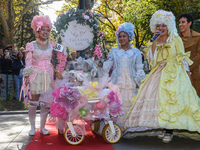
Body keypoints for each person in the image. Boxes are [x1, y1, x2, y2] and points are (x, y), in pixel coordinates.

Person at [124, 10, 200, 143]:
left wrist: (187, 76)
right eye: (158, 26)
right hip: (158, 73)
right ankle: (163, 128)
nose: (161, 28)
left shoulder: (176, 39)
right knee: (160, 102)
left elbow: (182, 59)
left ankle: (169, 131)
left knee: (172, 102)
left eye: (164, 25)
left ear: (169, 26)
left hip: (175, 74)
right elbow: (152, 62)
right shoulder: (153, 41)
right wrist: (154, 42)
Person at [103, 22, 145, 127]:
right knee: (116, 104)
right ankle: (115, 128)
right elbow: (108, 64)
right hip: (116, 82)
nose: (122, 39)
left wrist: (139, 82)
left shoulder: (136, 52)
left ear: (129, 36)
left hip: (131, 83)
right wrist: (100, 65)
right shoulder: (113, 51)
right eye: (120, 36)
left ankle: (128, 127)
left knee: (129, 104)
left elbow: (139, 69)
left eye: (124, 36)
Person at [22, 15, 54, 136]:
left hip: (47, 77)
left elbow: (57, 60)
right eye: (44, 29)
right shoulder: (31, 45)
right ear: (38, 30)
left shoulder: (52, 45)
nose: (46, 32)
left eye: (48, 30)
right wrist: (27, 79)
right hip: (35, 77)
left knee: (45, 104)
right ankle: (32, 127)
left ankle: (43, 127)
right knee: (33, 103)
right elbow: (28, 62)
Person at [178, 13, 200, 97]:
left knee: (195, 97)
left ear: (189, 23)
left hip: (194, 71)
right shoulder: (175, 38)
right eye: (179, 22)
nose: (180, 25)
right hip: (179, 71)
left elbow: (199, 55)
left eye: (183, 22)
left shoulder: (198, 37)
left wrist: (188, 68)